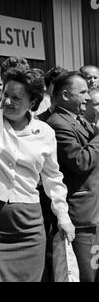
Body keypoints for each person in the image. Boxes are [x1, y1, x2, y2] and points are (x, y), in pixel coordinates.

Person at [0, 31, 75, 282]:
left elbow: (53, 178)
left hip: (28, 226)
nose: (6, 102)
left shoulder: (44, 132)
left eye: (16, 98)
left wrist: (63, 217)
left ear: (33, 101)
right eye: (5, 95)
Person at [47, 71, 99, 282]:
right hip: (81, 216)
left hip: (93, 211)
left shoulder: (79, 120)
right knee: (88, 275)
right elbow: (80, 161)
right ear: (66, 95)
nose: (87, 97)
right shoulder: (58, 123)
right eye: (83, 92)